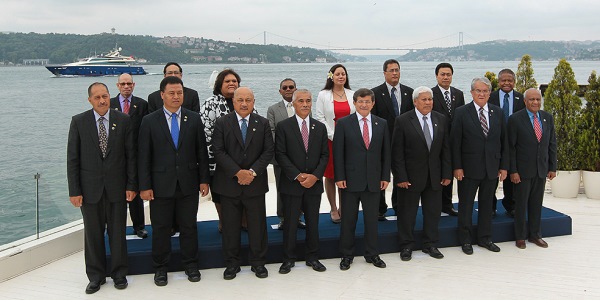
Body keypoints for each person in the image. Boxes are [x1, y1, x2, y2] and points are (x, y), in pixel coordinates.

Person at [138, 76, 210, 286]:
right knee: (160, 228)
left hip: (188, 183)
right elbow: (144, 156)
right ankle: (161, 268)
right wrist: (145, 186)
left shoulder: (194, 118)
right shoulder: (149, 121)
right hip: (160, 186)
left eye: (179, 93)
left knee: (189, 227)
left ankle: (191, 265)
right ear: (162, 95)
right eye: (171, 93)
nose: (176, 96)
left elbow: (201, 152)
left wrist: (204, 180)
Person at [67, 82, 137, 294]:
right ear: (90, 100)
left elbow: (131, 156)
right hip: (89, 191)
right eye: (97, 97)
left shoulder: (123, 120)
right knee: (93, 235)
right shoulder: (79, 122)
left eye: (105, 96)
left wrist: (131, 185)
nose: (102, 100)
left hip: (117, 189)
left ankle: (119, 274)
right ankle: (96, 277)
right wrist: (74, 190)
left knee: (118, 234)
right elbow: (72, 159)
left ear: (110, 96)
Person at [211, 87, 274, 280]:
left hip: (255, 184)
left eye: (248, 100)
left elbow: (268, 151)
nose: (244, 103)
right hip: (230, 184)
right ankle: (232, 264)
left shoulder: (262, 123)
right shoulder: (222, 123)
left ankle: (258, 263)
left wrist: (252, 172)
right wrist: (238, 172)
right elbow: (218, 150)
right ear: (234, 102)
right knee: (230, 227)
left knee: (257, 226)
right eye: (240, 100)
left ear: (254, 102)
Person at [392, 87, 452, 261]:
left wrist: (447, 173)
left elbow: (445, 150)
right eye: (424, 100)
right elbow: (397, 153)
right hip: (410, 178)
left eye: (430, 99)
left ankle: (430, 244)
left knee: (433, 213)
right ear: (415, 101)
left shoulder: (440, 119)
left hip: (435, 177)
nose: (428, 103)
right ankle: (406, 246)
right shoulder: (403, 121)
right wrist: (400, 177)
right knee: (407, 214)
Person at [333, 88, 390, 271]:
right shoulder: (343, 123)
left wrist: (385, 176)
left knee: (372, 220)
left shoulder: (382, 124)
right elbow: (338, 153)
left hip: (374, 180)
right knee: (348, 220)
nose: (364, 105)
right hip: (349, 180)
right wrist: (340, 177)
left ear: (373, 103)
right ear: (354, 103)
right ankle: (346, 255)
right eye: (361, 101)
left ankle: (372, 254)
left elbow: (385, 153)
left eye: (368, 102)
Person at [451, 77, 508, 255]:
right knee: (466, 205)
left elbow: (503, 141)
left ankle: (485, 238)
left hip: (491, 167)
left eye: (485, 91)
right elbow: (455, 142)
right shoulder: (461, 112)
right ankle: (465, 240)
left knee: (487, 206)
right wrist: (457, 166)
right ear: (472, 93)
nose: (481, 94)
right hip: (468, 169)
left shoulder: (498, 112)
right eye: (478, 91)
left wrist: (503, 166)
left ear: (490, 93)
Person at [275, 89, 329, 274]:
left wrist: (314, 176)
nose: (305, 104)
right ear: (294, 103)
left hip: (314, 184)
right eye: (301, 101)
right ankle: (288, 259)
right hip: (292, 184)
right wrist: (298, 176)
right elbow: (280, 155)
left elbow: (324, 155)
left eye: (308, 101)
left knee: (313, 223)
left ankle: (313, 257)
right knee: (290, 223)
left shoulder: (319, 127)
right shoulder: (283, 126)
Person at [200, 69, 249, 232]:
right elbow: (206, 132)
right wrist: (224, 156)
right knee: (219, 194)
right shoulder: (210, 103)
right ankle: (224, 222)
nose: (231, 83)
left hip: (243, 159)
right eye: (227, 81)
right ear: (219, 84)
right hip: (218, 160)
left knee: (243, 192)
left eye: (234, 81)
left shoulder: (245, 102)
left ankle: (243, 220)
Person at [508, 88, 556, 249]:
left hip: (541, 169)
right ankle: (520, 237)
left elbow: (551, 144)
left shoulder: (547, 118)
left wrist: (552, 167)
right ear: (525, 101)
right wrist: (513, 170)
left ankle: (535, 235)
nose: (535, 102)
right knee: (521, 205)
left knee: (537, 204)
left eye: (538, 99)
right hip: (522, 171)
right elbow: (511, 147)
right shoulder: (515, 119)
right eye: (531, 100)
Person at [371, 59, 414, 219]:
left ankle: (399, 205)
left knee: (401, 174)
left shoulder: (409, 92)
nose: (395, 73)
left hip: (404, 143)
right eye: (391, 70)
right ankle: (380, 209)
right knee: (380, 175)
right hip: (382, 142)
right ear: (384, 73)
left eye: (397, 70)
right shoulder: (374, 93)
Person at [314, 64, 355, 223]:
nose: (341, 77)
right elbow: (320, 117)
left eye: (343, 74)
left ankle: (344, 207)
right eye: (337, 74)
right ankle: (333, 207)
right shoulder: (323, 95)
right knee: (331, 176)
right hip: (331, 141)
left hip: (350, 142)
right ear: (331, 76)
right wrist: (334, 135)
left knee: (346, 175)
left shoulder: (352, 94)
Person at [110, 73, 149, 239]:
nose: (126, 86)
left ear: (134, 85)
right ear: (117, 86)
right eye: (123, 84)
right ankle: (115, 227)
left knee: (135, 192)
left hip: (136, 155)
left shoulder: (142, 104)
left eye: (129, 84)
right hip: (116, 157)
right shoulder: (110, 104)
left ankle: (139, 226)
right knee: (116, 193)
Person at [267, 78, 306, 230]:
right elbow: (271, 131)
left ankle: (298, 217)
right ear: (280, 91)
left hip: (301, 157)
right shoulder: (273, 109)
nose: (288, 89)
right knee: (281, 188)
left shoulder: (302, 106)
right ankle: (283, 218)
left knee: (300, 189)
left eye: (291, 87)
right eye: (285, 87)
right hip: (280, 157)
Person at [489, 69, 525, 217]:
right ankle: (490, 207)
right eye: (503, 80)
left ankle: (510, 205)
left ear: (514, 82)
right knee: (491, 177)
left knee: (512, 176)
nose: (506, 83)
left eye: (510, 80)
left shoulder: (521, 98)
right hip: (493, 143)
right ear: (498, 82)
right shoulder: (490, 97)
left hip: (514, 144)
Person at [431, 62, 465, 217]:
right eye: (442, 74)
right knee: (439, 174)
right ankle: (436, 205)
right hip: (437, 141)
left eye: (448, 74)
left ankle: (448, 204)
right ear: (437, 76)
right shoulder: (430, 94)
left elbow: (462, 117)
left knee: (450, 173)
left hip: (455, 141)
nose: (445, 77)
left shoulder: (458, 94)